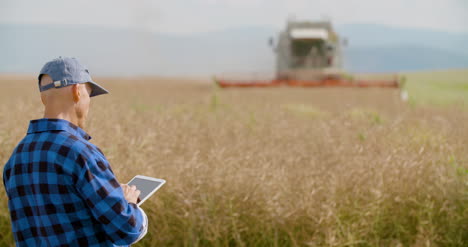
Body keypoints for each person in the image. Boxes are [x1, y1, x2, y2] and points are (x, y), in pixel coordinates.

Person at [2, 57, 148, 246]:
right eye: (89, 94)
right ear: (77, 91)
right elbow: (127, 230)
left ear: (42, 97)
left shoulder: (17, 156)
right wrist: (129, 202)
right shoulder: (81, 152)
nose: (89, 104)